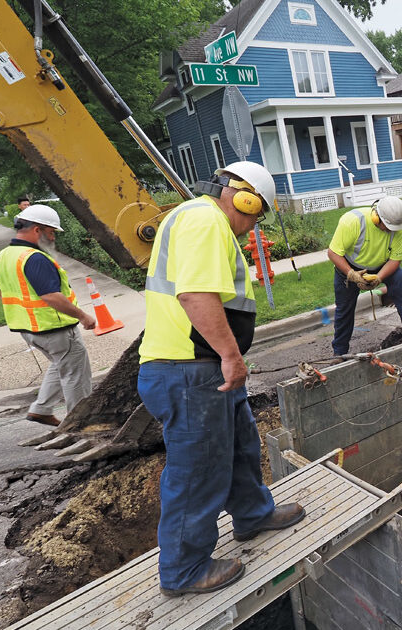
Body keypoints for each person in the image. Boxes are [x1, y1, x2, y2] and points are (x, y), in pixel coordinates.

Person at [137, 161, 305, 596]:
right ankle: (184, 570)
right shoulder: (206, 219)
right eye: (256, 213)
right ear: (244, 199)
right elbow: (195, 294)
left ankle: (252, 514)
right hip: (188, 370)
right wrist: (231, 355)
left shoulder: (197, 218)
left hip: (202, 368)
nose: (252, 226)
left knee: (240, 447)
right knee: (198, 472)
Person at [0, 204, 97, 427]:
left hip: (27, 329)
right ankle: (81, 423)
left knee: (60, 365)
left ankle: (41, 409)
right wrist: (83, 316)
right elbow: (51, 296)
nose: (53, 238)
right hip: (54, 329)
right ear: (37, 230)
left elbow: (2, 293)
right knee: (75, 375)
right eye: (51, 232)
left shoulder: (1, 258)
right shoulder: (34, 258)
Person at [326, 196, 402, 356]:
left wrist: (379, 278)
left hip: (382, 265)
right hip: (349, 267)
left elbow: (395, 259)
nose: (389, 230)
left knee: (401, 284)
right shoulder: (352, 221)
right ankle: (339, 353)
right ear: (376, 216)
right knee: (344, 309)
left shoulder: (397, 229)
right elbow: (333, 253)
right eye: (386, 226)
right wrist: (351, 274)